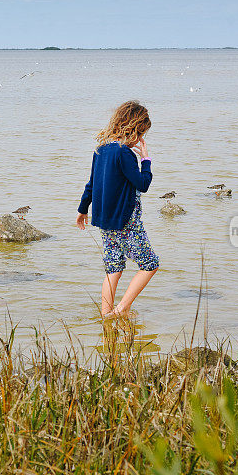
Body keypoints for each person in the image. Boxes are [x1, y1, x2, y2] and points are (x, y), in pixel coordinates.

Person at [76, 101, 159, 317]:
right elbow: (143, 184)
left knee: (114, 268)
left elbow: (91, 183)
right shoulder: (125, 153)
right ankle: (121, 310)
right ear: (134, 129)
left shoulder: (101, 149)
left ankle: (106, 315)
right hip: (126, 222)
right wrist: (146, 159)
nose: (141, 139)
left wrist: (82, 210)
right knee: (150, 264)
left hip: (105, 220)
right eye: (141, 134)